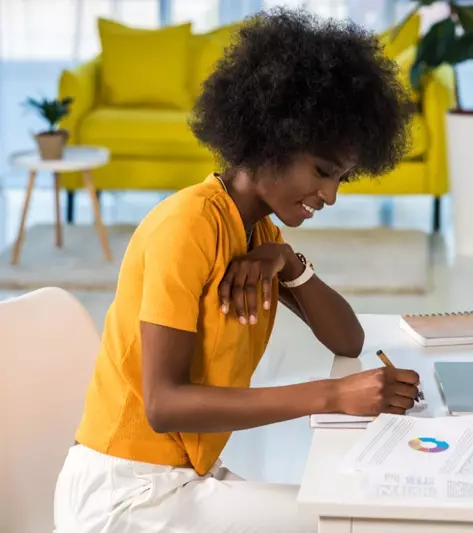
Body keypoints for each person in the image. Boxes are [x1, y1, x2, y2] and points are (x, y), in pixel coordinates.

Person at [54, 8, 418, 533]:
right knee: (347, 522)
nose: (331, 195)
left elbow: (348, 339)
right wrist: (333, 395)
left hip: (178, 478)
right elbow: (163, 405)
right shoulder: (188, 225)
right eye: (321, 171)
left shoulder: (259, 233)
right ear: (270, 140)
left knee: (346, 510)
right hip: (125, 495)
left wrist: (289, 262)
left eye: (342, 178)